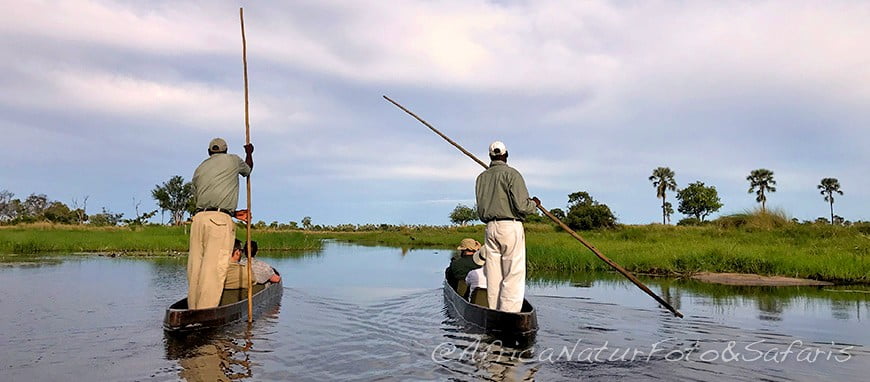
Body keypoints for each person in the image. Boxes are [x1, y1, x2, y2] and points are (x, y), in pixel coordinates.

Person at [187, 137, 253, 309]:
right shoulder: (233, 160)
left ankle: (192, 309)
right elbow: (248, 170)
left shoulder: (200, 168)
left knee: (196, 269)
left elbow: (199, 196)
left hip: (199, 219)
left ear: (209, 152)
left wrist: (232, 212)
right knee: (214, 271)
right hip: (219, 222)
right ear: (225, 150)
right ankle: (204, 314)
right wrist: (249, 153)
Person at [475, 141, 540, 313]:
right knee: (513, 273)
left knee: (494, 274)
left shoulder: (481, 178)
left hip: (490, 228)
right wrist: (534, 204)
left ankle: (494, 312)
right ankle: (509, 314)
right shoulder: (513, 174)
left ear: (490, 156)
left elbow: (481, 211)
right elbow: (521, 207)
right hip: (510, 226)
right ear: (506, 154)